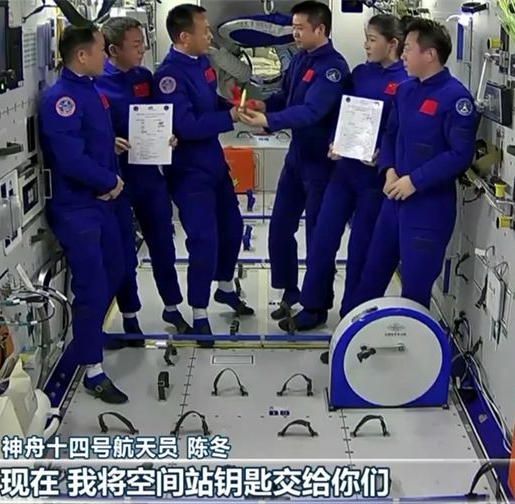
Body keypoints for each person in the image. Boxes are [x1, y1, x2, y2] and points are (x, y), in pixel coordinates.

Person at [344, 18, 479, 329]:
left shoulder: (455, 98)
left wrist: (415, 181)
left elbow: (460, 154)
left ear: (429, 55)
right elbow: (392, 134)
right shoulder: (405, 91)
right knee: (370, 276)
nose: (402, 55)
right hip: (393, 201)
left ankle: (411, 352)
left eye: (408, 49)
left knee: (415, 291)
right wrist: (389, 170)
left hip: (427, 209)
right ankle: (351, 340)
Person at [280, 14, 409, 332]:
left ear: (392, 43)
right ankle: (314, 305)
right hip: (343, 173)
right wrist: (334, 141)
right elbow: (341, 112)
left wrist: (384, 156)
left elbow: (401, 131)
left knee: (360, 251)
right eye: (366, 39)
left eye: (373, 40)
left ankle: (352, 317)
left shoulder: (405, 81)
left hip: (373, 180)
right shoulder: (360, 74)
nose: (366, 45)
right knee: (322, 240)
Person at [237, 0, 350, 320]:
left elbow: (312, 111)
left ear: (321, 29)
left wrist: (269, 121)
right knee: (280, 228)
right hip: (297, 157)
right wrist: (264, 106)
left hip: (320, 164)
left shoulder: (333, 68)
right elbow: (286, 96)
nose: (295, 33)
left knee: (317, 237)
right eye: (294, 27)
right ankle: (289, 291)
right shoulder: (300, 59)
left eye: (300, 28)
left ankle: (317, 305)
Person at [37, 24, 132, 403]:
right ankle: (92, 369)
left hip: (102, 203)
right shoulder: (61, 99)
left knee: (117, 269)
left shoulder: (89, 90)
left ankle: (90, 334)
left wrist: (111, 145)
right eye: (100, 50)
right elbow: (70, 159)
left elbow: (88, 139)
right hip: (77, 207)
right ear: (82, 55)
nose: (105, 57)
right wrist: (109, 179)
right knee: (91, 286)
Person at [152, 4, 254, 339]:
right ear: (185, 37)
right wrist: (230, 119)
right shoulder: (169, 77)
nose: (210, 35)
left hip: (213, 163)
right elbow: (186, 125)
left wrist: (235, 107)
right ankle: (199, 311)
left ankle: (224, 286)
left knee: (232, 228)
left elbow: (210, 103)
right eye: (205, 30)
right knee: (203, 240)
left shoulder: (202, 64)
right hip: (189, 171)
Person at [95, 17, 191, 340]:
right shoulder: (97, 85)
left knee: (163, 242)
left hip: (148, 174)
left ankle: (172, 306)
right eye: (136, 45)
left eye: (143, 44)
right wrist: (109, 143)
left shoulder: (144, 78)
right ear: (113, 50)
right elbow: (88, 132)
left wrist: (169, 135)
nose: (143, 50)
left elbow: (158, 114)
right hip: (118, 180)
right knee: (125, 251)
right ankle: (130, 314)